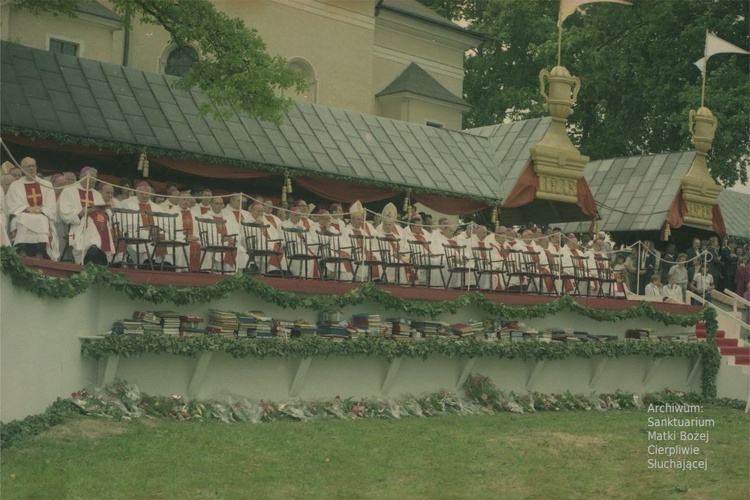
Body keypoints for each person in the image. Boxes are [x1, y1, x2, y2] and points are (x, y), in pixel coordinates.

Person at [57, 167, 114, 265]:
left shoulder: (96, 194)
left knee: (97, 221)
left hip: (98, 225)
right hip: (78, 225)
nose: (95, 181)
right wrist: (80, 213)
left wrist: (104, 212)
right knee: (92, 223)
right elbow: (64, 211)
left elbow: (105, 211)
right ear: (83, 177)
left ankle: (94, 250)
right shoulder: (69, 191)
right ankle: (92, 252)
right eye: (93, 178)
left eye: (96, 178)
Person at [5, 157, 59, 259]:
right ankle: (22, 248)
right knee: (22, 218)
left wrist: (40, 210)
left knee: (41, 219)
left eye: (33, 166)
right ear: (22, 169)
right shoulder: (15, 185)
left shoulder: (46, 184)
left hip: (41, 214)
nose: (32, 168)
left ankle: (40, 249)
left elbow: (51, 205)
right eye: (28, 166)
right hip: (23, 213)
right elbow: (11, 205)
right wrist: (27, 209)